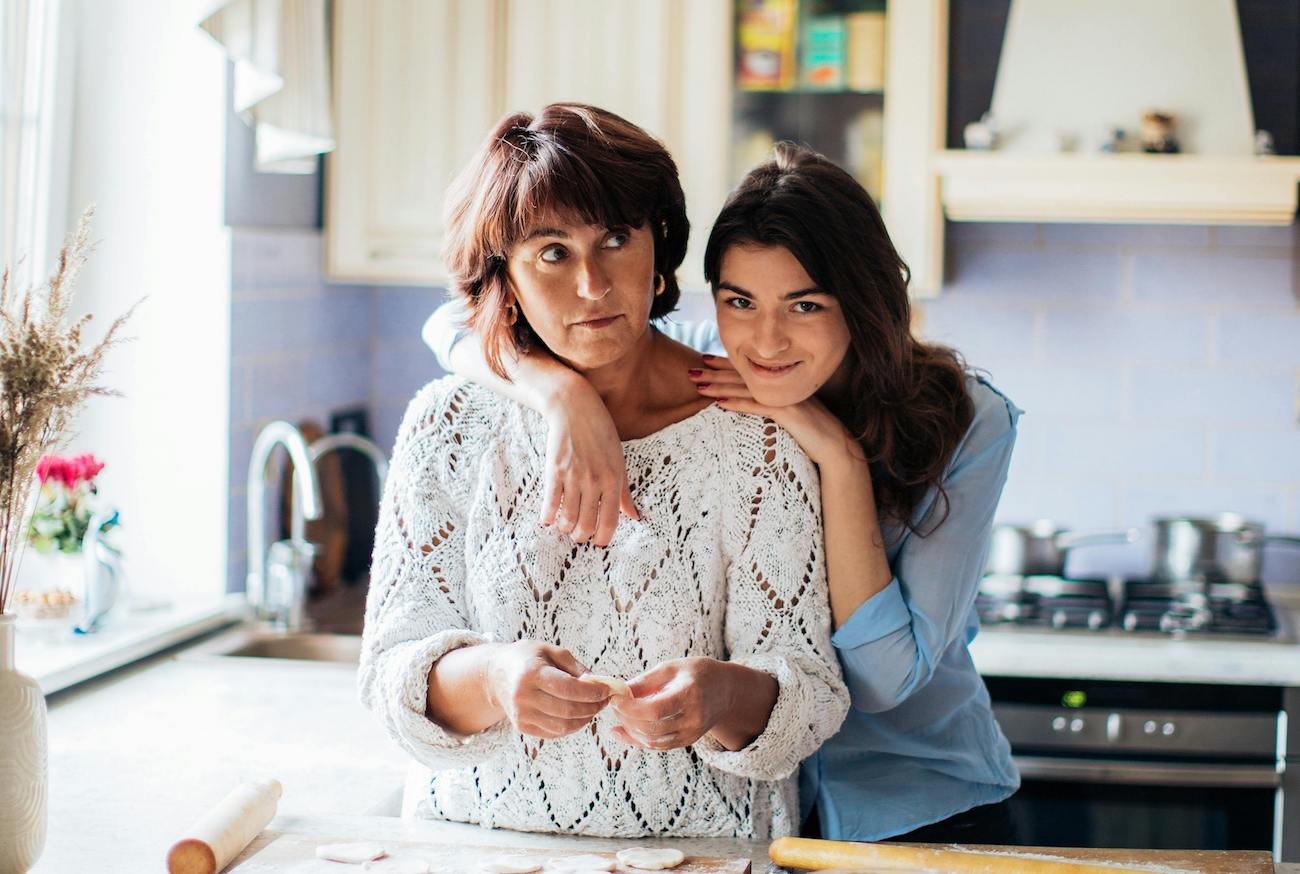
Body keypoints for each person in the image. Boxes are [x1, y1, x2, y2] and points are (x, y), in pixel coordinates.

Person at [424, 141, 1023, 844]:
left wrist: (834, 453)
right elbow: (452, 324)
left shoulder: (967, 418)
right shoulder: (713, 358)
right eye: (740, 300)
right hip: (764, 807)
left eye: (805, 304)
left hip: (915, 799)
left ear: (862, 303)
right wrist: (560, 395)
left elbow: (886, 681)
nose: (766, 340)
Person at [359, 105, 849, 840]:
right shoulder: (447, 426)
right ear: (507, 278)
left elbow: (810, 694)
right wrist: (493, 677)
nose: (593, 284)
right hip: (473, 848)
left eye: (616, 240)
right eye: (551, 253)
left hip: (704, 852)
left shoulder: (758, 436)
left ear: (659, 249)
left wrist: (723, 696)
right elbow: (390, 678)